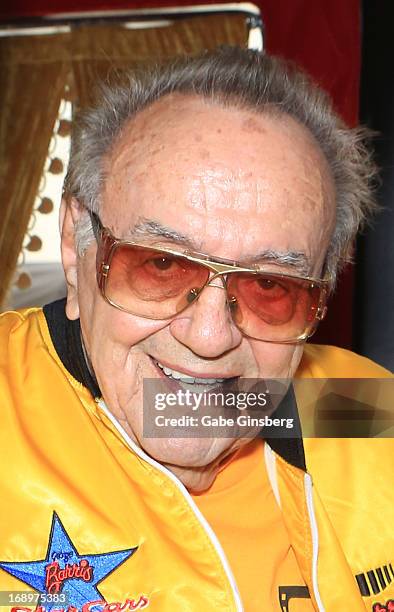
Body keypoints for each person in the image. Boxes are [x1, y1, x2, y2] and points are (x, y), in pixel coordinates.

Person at [0, 47, 393, 612]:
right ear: (74, 245)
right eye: (160, 265)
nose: (209, 338)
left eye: (270, 287)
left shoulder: (361, 406)